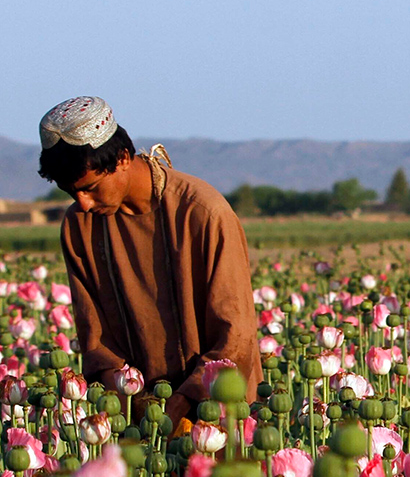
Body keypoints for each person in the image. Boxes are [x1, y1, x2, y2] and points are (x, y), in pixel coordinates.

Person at [37, 96, 263, 424]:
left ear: (123, 158)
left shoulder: (201, 213)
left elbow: (235, 332)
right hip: (139, 416)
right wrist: (131, 399)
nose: (83, 204)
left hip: (217, 410)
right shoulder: (80, 227)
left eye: (91, 188)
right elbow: (95, 336)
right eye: (72, 193)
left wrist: (186, 401)